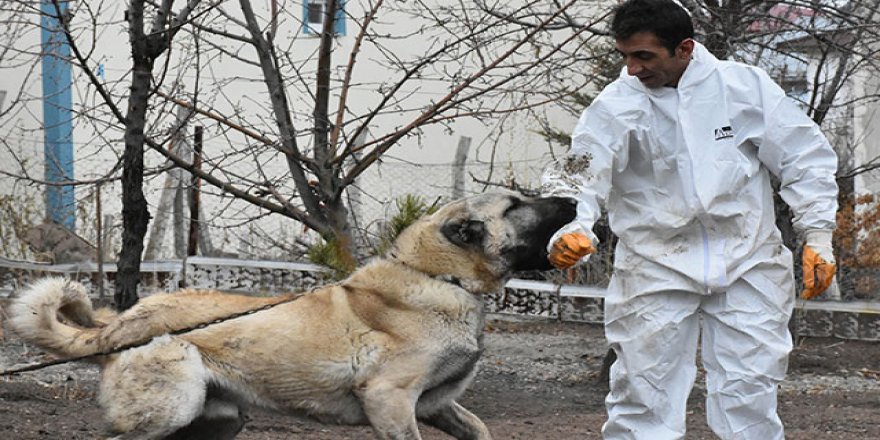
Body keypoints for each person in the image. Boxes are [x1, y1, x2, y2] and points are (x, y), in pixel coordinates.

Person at [541, 0, 839, 438]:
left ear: (684, 48)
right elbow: (581, 172)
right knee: (643, 393)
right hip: (655, 263)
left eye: (644, 56)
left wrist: (819, 234)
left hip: (747, 260)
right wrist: (573, 225)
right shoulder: (616, 104)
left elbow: (803, 156)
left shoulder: (741, 88)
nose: (632, 68)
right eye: (625, 55)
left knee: (750, 390)